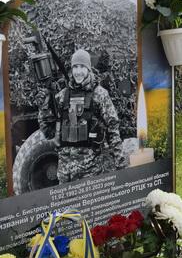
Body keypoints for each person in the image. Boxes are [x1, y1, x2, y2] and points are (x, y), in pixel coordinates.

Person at [39, 49, 126, 183]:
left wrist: (121, 165)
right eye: (75, 67)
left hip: (90, 173)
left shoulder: (100, 95)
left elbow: (113, 130)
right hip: (65, 174)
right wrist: (45, 103)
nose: (78, 71)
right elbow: (47, 131)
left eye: (82, 67)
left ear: (88, 69)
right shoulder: (62, 96)